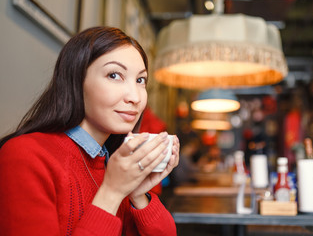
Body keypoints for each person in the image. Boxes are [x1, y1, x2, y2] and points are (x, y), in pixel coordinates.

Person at [0, 26, 179, 236]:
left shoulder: (113, 163)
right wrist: (112, 192)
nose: (135, 97)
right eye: (114, 75)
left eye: (140, 80)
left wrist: (138, 194)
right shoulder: (25, 155)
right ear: (76, 80)